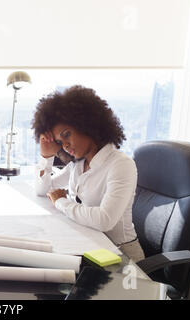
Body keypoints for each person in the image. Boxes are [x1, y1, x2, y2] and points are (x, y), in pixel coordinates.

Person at [32, 85, 145, 262]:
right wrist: (46, 157)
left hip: (123, 255)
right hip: (91, 245)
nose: (65, 146)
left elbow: (104, 220)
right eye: (60, 142)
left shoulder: (121, 165)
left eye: (67, 135)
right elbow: (43, 190)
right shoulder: (78, 164)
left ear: (87, 125)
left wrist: (61, 202)